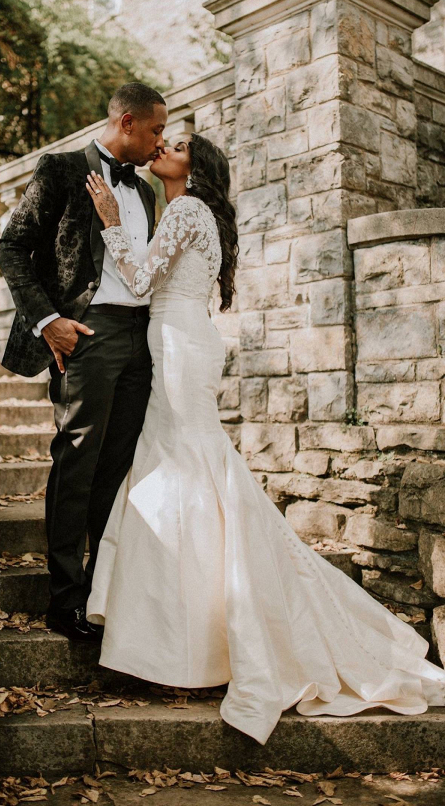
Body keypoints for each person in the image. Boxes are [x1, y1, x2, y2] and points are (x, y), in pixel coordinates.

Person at [84, 131, 445, 745]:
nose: (162, 148)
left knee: (184, 471)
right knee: (181, 468)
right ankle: (180, 638)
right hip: (180, 342)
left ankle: (186, 643)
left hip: (178, 347)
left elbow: (142, 283)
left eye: (175, 145)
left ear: (195, 168)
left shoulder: (190, 209)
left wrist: (112, 222)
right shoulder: (186, 210)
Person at [0, 82, 167, 642]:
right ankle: (64, 600)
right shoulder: (62, 170)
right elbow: (12, 245)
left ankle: (102, 591)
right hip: (86, 335)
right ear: (126, 123)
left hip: (139, 340)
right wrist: (49, 321)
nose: (159, 141)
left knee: (116, 471)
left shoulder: (144, 193)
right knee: (77, 463)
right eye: (155, 129)